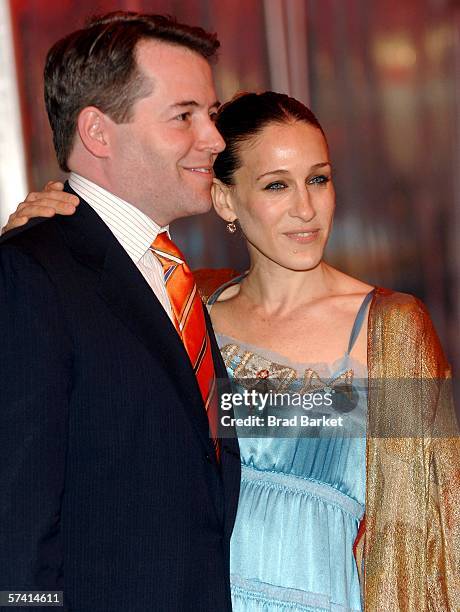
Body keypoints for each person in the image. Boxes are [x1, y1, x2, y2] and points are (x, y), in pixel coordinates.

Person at [5, 90, 460, 610]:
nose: (306, 208)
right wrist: (37, 242)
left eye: (319, 178)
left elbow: (430, 534)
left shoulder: (395, 328)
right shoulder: (182, 307)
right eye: (276, 186)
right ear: (225, 200)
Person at [0, 11, 241, 612]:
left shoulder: (180, 282)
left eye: (211, 115)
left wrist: (404, 399)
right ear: (98, 132)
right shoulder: (32, 274)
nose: (214, 139)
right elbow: (15, 519)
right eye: (185, 116)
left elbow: (208, 430)